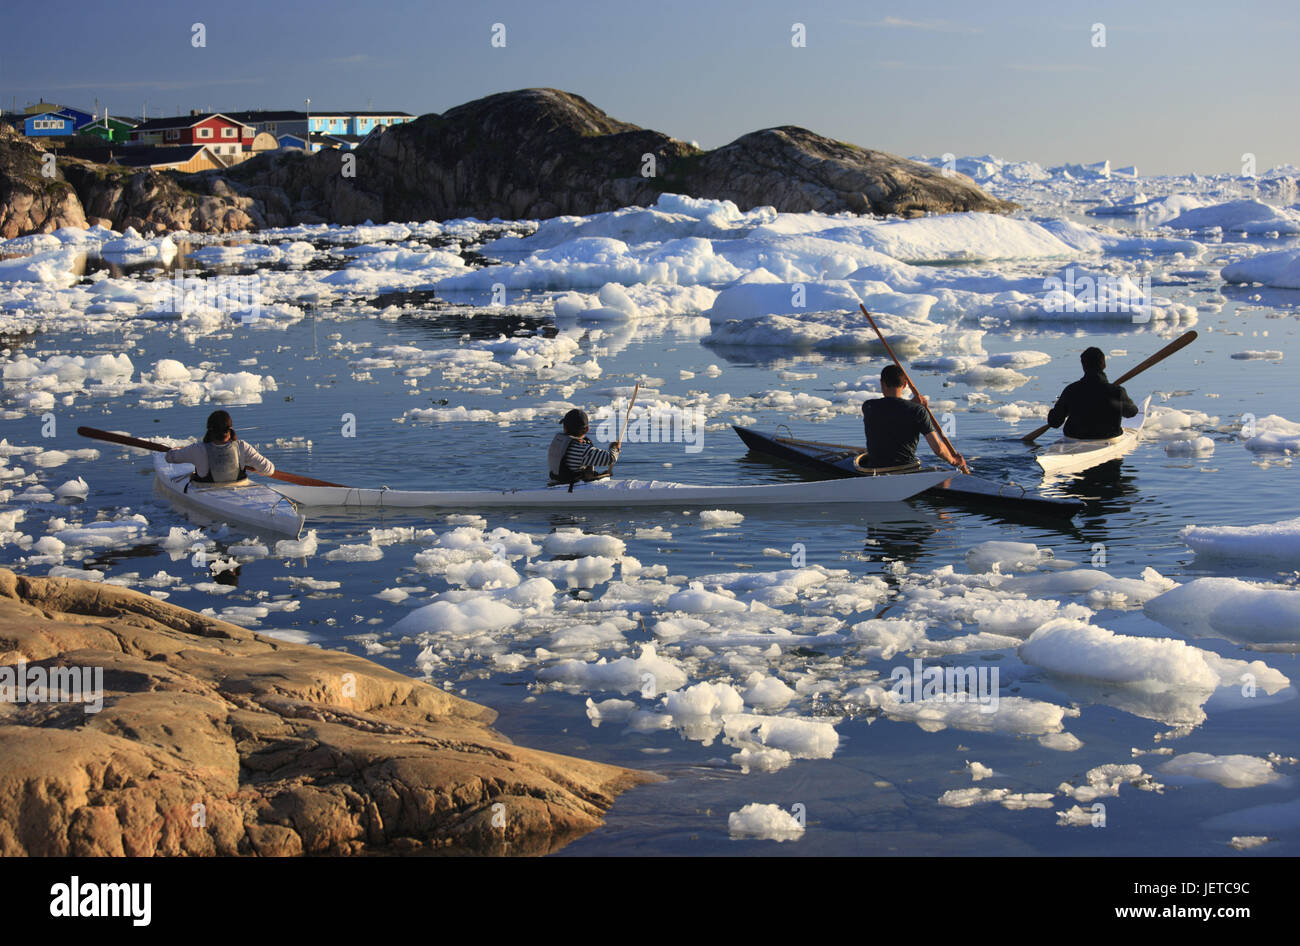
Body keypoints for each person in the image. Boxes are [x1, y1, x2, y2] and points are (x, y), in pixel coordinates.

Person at [862, 364, 965, 469]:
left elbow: (892, 410)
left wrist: (912, 403)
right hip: (906, 469)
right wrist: (953, 460)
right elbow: (938, 448)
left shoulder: (869, 406)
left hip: (875, 468)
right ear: (905, 384)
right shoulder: (918, 411)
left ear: (882, 383)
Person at [1046, 347, 1139, 439]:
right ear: (1104, 365)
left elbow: (1054, 422)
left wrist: (1065, 409)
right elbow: (1131, 412)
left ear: (1083, 366)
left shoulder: (1071, 390)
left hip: (1074, 436)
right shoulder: (1117, 391)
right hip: (1108, 436)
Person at [164, 410, 275, 484]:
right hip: (239, 487)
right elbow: (269, 470)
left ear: (209, 430)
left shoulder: (197, 449)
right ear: (230, 428)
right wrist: (256, 468)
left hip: (205, 490)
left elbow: (169, 457)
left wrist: (178, 450)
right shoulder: (242, 446)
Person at [548, 408, 620, 487]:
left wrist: (597, 475)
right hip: (570, 489)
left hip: (556, 485)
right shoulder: (582, 450)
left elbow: (572, 468)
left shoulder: (559, 442)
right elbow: (610, 458)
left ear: (565, 428)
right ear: (587, 429)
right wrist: (614, 447)